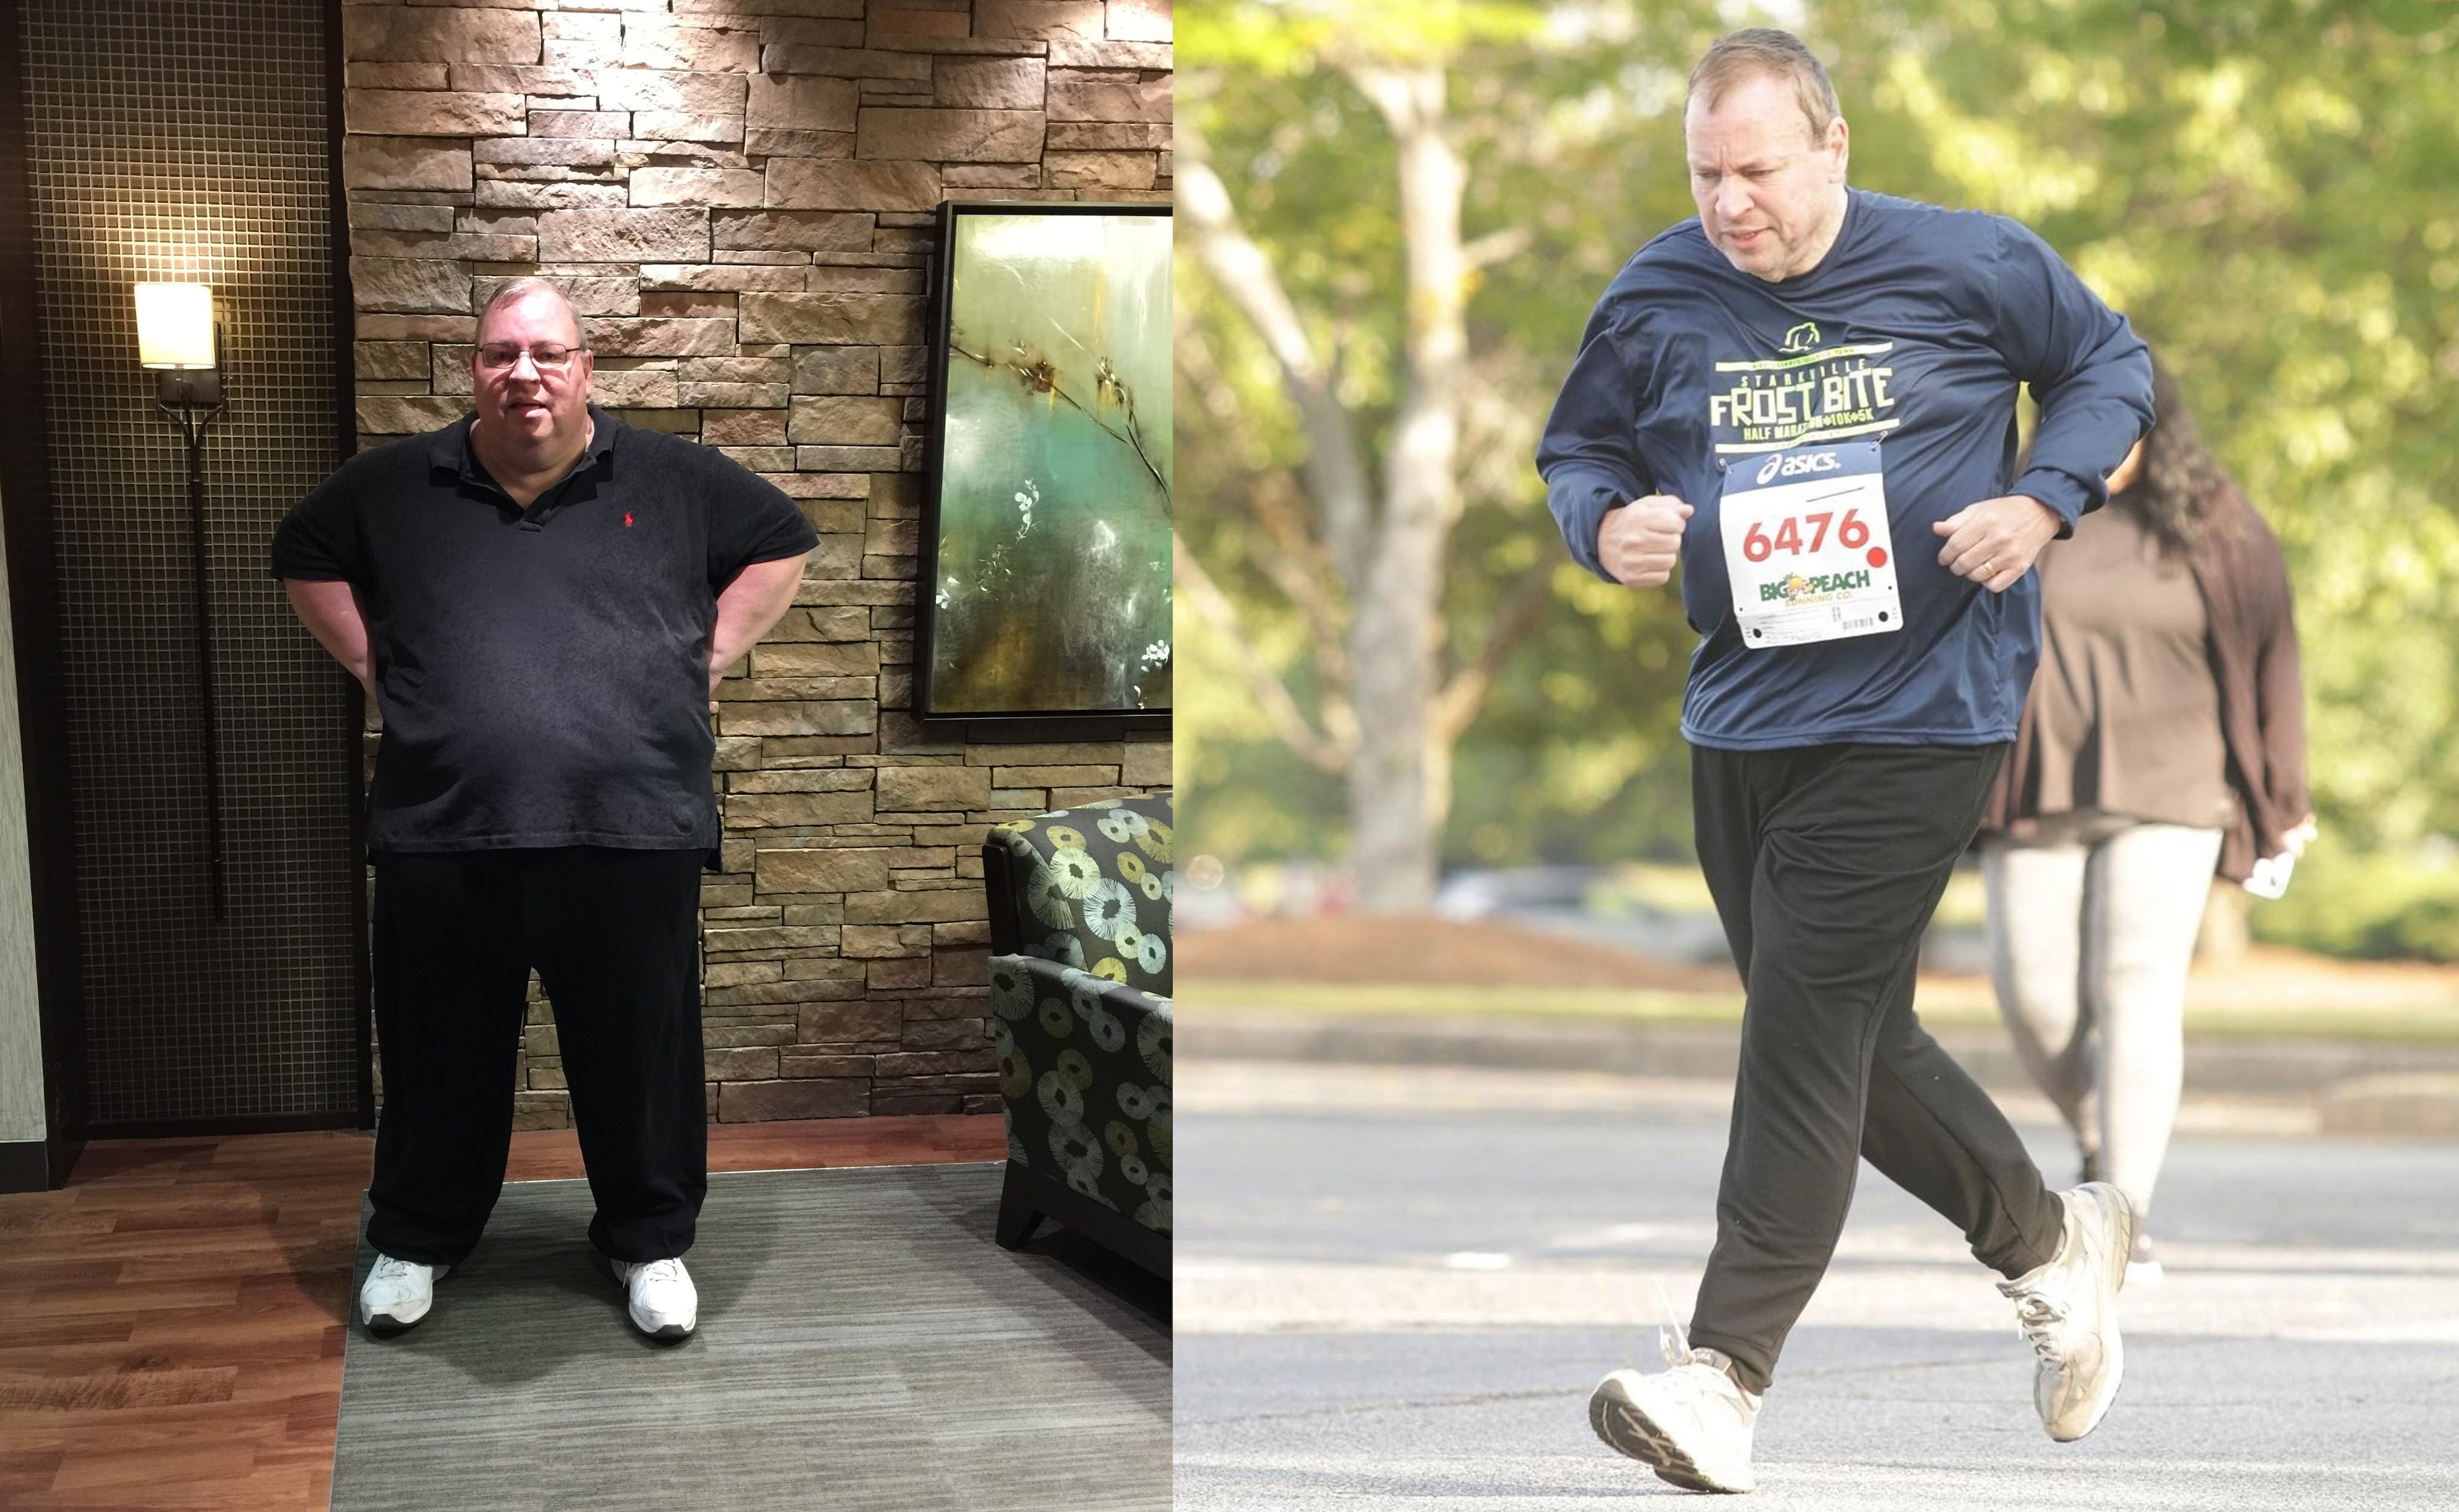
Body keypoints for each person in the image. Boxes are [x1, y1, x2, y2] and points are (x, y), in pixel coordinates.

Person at [1535, 28, 2155, 1493]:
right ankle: (2053, 1242)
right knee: (1845, 1037)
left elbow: (2112, 373)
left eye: (1757, 171)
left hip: (1927, 708)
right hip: (1746, 714)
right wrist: (1603, 523)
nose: (1730, 203)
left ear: (1834, 148)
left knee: (1800, 1027)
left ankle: (1723, 1374)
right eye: (1706, 174)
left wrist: (2042, 500)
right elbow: (1579, 449)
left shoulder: (1969, 262)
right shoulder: (1659, 289)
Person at [272, 277, 816, 1341]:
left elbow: (784, 541)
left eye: (547, 353)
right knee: (437, 1054)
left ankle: (647, 1239)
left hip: (632, 834)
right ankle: (417, 1236)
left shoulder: (674, 478)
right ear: (474, 368)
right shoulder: (394, 484)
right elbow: (303, 552)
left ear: (585, 368)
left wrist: (703, 659)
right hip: (445, 831)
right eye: (501, 353)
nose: (524, 372)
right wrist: (379, 669)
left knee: (640, 1057)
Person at [1977, 351, 2312, 1287]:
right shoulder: (2022, 510)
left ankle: (2124, 1214)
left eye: (2122, 418)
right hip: (2037, 782)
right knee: (2033, 993)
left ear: (2155, 424)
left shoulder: (2219, 524)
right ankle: (2100, 1131)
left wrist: (2286, 794)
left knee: (2136, 984)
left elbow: (2275, 658)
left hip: (2178, 783)